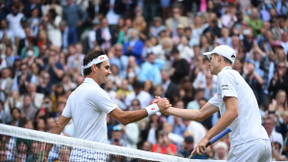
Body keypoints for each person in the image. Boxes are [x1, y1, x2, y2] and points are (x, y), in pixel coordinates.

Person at [44, 49, 171, 161]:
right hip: (92, 158)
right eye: (106, 67)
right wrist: (155, 107)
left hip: (76, 157)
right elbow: (123, 118)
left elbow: (58, 125)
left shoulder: (74, 94)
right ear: (94, 68)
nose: (109, 72)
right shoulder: (96, 92)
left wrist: (45, 153)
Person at [161, 45, 271, 161]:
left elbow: (232, 111)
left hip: (246, 144)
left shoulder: (225, 75)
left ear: (218, 57)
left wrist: (206, 138)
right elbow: (199, 114)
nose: (208, 63)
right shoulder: (234, 80)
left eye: (211, 59)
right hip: (263, 143)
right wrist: (168, 110)